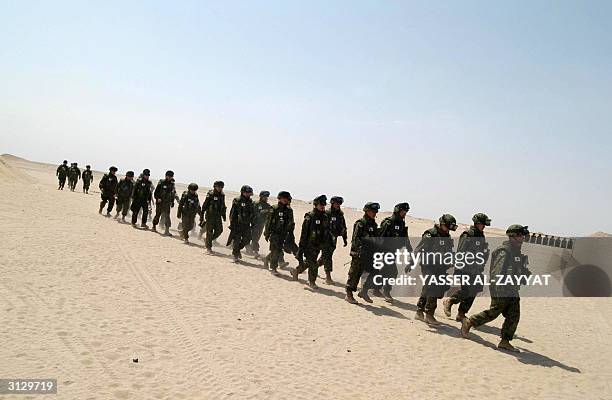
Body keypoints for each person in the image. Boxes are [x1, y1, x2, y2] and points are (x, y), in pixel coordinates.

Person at [462, 224, 531, 353]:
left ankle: (505, 341)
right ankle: (469, 322)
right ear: (512, 237)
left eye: (523, 235)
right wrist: (499, 287)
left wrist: (524, 273)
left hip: (512, 289)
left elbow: (518, 269)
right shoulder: (504, 251)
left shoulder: (517, 252)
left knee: (514, 315)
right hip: (502, 288)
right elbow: (497, 272)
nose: (523, 238)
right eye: (520, 235)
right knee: (494, 312)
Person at [443, 213, 491, 321]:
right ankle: (450, 301)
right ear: (477, 223)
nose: (484, 226)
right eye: (483, 224)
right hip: (465, 268)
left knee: (474, 290)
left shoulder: (481, 236)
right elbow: (461, 251)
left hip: (476, 269)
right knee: (467, 290)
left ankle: (461, 313)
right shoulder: (468, 235)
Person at [414, 214, 457, 325]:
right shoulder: (431, 234)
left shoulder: (446, 236)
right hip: (429, 266)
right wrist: (411, 262)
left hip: (441, 267)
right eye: (447, 227)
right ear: (442, 224)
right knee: (432, 287)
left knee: (434, 288)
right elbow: (419, 249)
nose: (448, 230)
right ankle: (429, 314)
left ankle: (419, 311)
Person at [291, 195, 331, 289]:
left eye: (324, 204)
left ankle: (296, 271)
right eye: (321, 204)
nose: (323, 206)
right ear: (315, 205)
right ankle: (312, 281)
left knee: (309, 261)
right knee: (313, 263)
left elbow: (327, 231)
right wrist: (302, 246)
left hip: (320, 244)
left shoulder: (325, 217)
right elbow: (304, 232)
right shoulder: (310, 216)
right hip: (310, 244)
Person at [345, 202, 380, 304]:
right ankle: (349, 294)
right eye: (372, 211)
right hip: (359, 253)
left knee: (375, 272)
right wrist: (360, 250)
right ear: (367, 211)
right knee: (355, 274)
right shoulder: (360, 223)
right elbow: (356, 239)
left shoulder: (374, 224)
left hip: (370, 254)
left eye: (375, 212)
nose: (374, 213)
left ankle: (364, 291)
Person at [377, 202, 412, 303]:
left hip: (393, 252)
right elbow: (380, 237)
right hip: (385, 251)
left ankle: (376, 288)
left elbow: (405, 238)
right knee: (392, 272)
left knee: (384, 271)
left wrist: (410, 251)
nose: (405, 213)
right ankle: (386, 291)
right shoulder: (388, 222)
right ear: (398, 211)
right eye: (403, 211)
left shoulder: (401, 223)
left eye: (406, 212)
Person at [263, 191, 295, 275]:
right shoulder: (274, 208)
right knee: (276, 250)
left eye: (286, 199)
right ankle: (273, 268)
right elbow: (268, 222)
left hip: (284, 234)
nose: (285, 200)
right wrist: (267, 233)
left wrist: (291, 234)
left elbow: (291, 223)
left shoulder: (289, 210)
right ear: (279, 198)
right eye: (283, 199)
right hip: (274, 233)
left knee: (278, 250)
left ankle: (266, 259)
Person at [318, 196, 348, 285]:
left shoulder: (340, 214)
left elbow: (343, 227)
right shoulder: (326, 213)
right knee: (327, 257)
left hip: (333, 240)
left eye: (339, 204)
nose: (338, 205)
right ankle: (328, 277)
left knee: (324, 258)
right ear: (332, 203)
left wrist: (344, 238)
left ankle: (310, 268)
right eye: (336, 203)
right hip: (325, 239)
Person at [228, 185, 255, 262]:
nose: (248, 194)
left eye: (249, 193)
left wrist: (252, 222)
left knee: (247, 239)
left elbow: (252, 213)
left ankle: (237, 250)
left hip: (246, 224)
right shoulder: (237, 200)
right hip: (237, 224)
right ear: (242, 192)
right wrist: (232, 224)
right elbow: (232, 213)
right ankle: (235, 255)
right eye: (247, 193)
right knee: (237, 239)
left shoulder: (250, 201)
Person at [200, 180, 227, 253]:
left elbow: (223, 205)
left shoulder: (222, 195)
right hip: (210, 216)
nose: (220, 188)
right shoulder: (210, 194)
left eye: (221, 187)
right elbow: (205, 205)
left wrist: (224, 215)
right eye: (218, 187)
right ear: (215, 186)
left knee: (219, 230)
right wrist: (201, 215)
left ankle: (208, 240)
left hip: (218, 216)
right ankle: (209, 248)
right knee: (210, 232)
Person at [247, 190, 272, 258]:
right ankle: (255, 251)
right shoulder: (256, 203)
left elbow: (269, 214)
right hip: (254, 223)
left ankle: (252, 249)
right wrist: (262, 212)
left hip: (261, 224)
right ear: (261, 196)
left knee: (256, 238)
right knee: (253, 237)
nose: (266, 198)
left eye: (267, 196)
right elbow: (253, 212)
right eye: (264, 196)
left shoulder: (268, 205)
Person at [152, 171, 176, 236]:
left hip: (167, 203)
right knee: (158, 214)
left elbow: (172, 193)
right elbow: (156, 192)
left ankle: (167, 230)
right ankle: (154, 226)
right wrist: (157, 198)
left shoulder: (172, 184)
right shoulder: (161, 182)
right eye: (168, 176)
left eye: (171, 177)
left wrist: (172, 201)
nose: (169, 178)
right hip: (160, 202)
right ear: (166, 176)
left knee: (167, 216)